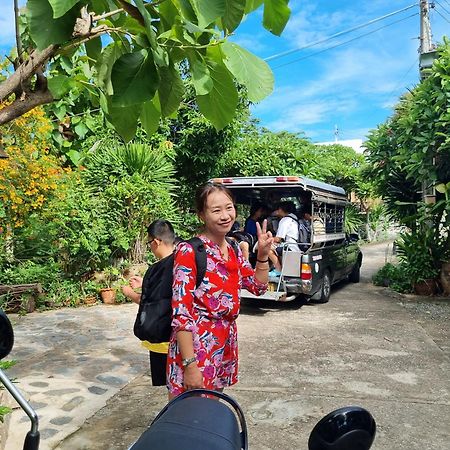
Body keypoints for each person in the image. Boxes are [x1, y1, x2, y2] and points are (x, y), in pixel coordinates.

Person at [167, 182, 273, 398]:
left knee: (212, 414)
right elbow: (181, 314)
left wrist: (262, 255)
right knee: (189, 418)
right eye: (216, 210)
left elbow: (258, 286)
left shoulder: (233, 248)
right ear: (201, 215)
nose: (225, 215)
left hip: (223, 344)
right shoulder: (189, 251)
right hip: (196, 349)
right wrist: (189, 365)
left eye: (229, 207)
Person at [122, 219, 176, 386]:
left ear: (157, 241)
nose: (150, 247)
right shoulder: (181, 261)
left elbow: (151, 304)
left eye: (149, 243)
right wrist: (144, 283)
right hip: (181, 337)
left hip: (163, 340)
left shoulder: (158, 269)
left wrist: (130, 293)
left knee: (172, 387)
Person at [268, 201, 300, 273]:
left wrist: (269, 238)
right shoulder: (294, 218)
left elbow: (278, 239)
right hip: (294, 246)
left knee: (268, 249)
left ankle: (279, 270)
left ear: (280, 209)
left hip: (289, 247)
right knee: (276, 248)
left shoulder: (285, 220)